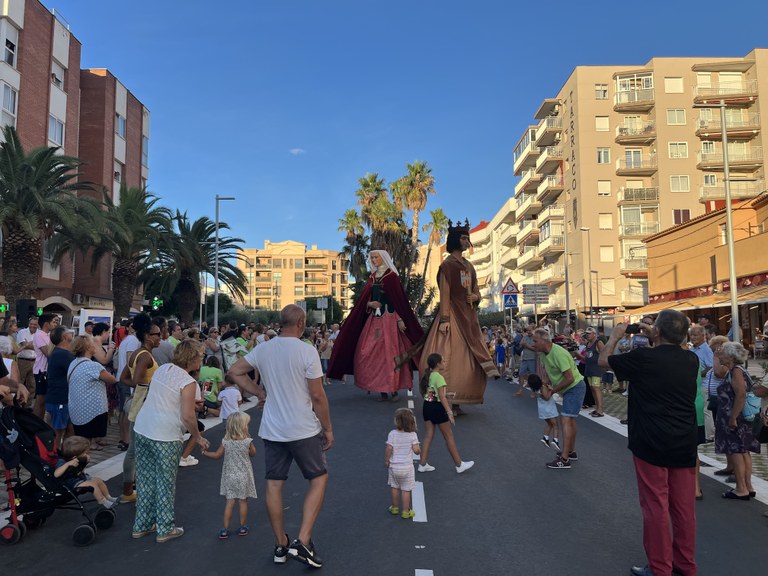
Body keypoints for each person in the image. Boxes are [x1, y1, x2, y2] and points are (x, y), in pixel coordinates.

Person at [227, 305, 332, 568]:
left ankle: (280, 544)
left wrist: (259, 393)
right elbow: (318, 396)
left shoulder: (264, 348)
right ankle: (303, 540)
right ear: (301, 323)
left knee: (274, 484)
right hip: (303, 428)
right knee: (318, 478)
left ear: (281, 322)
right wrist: (328, 428)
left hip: (273, 429)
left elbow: (234, 372)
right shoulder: (306, 350)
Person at [599, 310, 699, 576]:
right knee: (683, 508)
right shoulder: (691, 359)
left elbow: (603, 360)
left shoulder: (643, 358)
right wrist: (656, 332)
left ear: (657, 333)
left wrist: (616, 336)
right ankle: (686, 566)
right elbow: (672, 348)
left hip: (651, 441)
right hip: (684, 441)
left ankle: (660, 568)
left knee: (655, 506)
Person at [411, 220, 499, 412]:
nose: (467, 241)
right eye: (464, 238)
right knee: (449, 357)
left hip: (469, 318)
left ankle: (459, 399)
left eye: (468, 238)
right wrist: (444, 319)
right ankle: (442, 398)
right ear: (455, 240)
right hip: (451, 316)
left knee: (468, 361)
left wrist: (475, 296)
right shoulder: (446, 266)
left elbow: (477, 291)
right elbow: (445, 293)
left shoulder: (470, 266)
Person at [132, 339, 210, 543]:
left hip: (143, 428)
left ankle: (142, 524)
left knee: (145, 479)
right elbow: (187, 416)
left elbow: (166, 396)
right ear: (192, 358)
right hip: (165, 435)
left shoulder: (163, 368)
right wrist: (198, 437)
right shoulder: (188, 382)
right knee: (166, 483)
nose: (201, 360)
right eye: (200, 356)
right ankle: (165, 528)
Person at [327, 249, 424, 401]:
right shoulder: (372, 277)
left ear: (383, 258)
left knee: (391, 355)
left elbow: (399, 302)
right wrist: (369, 303)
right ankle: (381, 389)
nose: (373, 260)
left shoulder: (391, 277)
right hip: (375, 320)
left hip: (390, 321)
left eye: (375, 257)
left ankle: (392, 389)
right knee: (367, 352)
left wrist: (399, 319)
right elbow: (365, 300)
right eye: (371, 257)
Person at [119, 314, 160, 500]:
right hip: (144, 405)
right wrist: (151, 387)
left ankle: (130, 488)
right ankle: (129, 491)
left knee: (135, 450)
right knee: (136, 450)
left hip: (138, 403)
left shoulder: (137, 354)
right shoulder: (144, 356)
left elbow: (123, 378)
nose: (160, 336)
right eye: (157, 334)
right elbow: (135, 380)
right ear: (148, 336)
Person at [713, 341, 760, 500]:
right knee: (744, 450)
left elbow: (740, 394)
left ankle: (741, 488)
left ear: (731, 356)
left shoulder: (736, 372)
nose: (721, 355)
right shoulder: (740, 370)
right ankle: (748, 486)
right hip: (741, 417)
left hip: (734, 417)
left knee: (736, 451)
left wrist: (733, 417)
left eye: (723, 352)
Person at [201, 411, 258, 539]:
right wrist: (249, 440)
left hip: (229, 476)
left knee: (230, 502)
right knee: (243, 501)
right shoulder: (247, 441)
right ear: (243, 427)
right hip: (244, 476)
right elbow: (253, 453)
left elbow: (217, 455)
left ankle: (225, 529)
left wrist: (205, 453)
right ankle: (243, 527)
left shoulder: (225, 441)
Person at [416, 353, 474, 474]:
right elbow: (441, 397)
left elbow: (433, 393)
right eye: (443, 361)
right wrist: (449, 412)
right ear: (438, 364)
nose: (445, 362)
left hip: (427, 406)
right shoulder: (439, 377)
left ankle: (422, 464)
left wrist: (446, 394)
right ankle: (459, 464)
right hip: (437, 407)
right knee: (449, 436)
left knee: (428, 435)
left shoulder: (430, 375)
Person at [68, 335, 117, 451]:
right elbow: (112, 380)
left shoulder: (73, 363)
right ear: (88, 347)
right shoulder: (93, 366)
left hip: (77, 410)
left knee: (82, 440)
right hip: (92, 411)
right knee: (86, 444)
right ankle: (83, 462)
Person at [54, 436, 117, 508]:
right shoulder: (62, 461)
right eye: (86, 453)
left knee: (98, 480)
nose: (88, 455)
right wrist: (67, 464)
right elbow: (56, 474)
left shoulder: (79, 459)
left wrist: (85, 463)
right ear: (74, 457)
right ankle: (103, 501)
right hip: (71, 483)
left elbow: (81, 470)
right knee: (92, 485)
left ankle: (108, 497)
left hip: (81, 478)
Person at [385, 407, 421, 520]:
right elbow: (416, 450)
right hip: (407, 467)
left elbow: (389, 448)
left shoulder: (392, 434)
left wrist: (387, 460)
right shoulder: (412, 435)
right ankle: (406, 511)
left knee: (394, 487)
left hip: (394, 466)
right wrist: (419, 449)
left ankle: (395, 507)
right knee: (406, 489)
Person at [46, 327, 75, 451]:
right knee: (58, 431)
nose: (72, 334)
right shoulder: (62, 354)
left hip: (62, 397)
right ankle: (53, 456)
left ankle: (65, 454)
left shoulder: (60, 353)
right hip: (60, 398)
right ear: (64, 337)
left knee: (69, 429)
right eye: (69, 333)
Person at [527, 374, 560, 452]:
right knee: (555, 425)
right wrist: (552, 390)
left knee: (549, 424)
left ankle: (546, 437)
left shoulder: (535, 389)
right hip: (549, 408)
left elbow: (536, 395)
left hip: (542, 410)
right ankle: (555, 440)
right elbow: (547, 397)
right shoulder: (543, 387)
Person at [32, 313, 55, 420]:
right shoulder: (39, 335)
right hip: (41, 370)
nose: (56, 324)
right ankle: (36, 422)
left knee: (44, 399)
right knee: (40, 399)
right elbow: (47, 353)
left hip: (48, 370)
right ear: (46, 324)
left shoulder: (49, 335)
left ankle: (40, 422)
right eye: (54, 322)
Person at [583, 327, 606, 418]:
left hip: (596, 369)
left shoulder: (598, 342)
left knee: (596, 388)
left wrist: (603, 366)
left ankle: (600, 410)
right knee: (592, 388)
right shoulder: (588, 343)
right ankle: (597, 408)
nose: (587, 335)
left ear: (594, 334)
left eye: (589, 333)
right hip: (589, 369)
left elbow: (604, 353)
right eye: (587, 334)